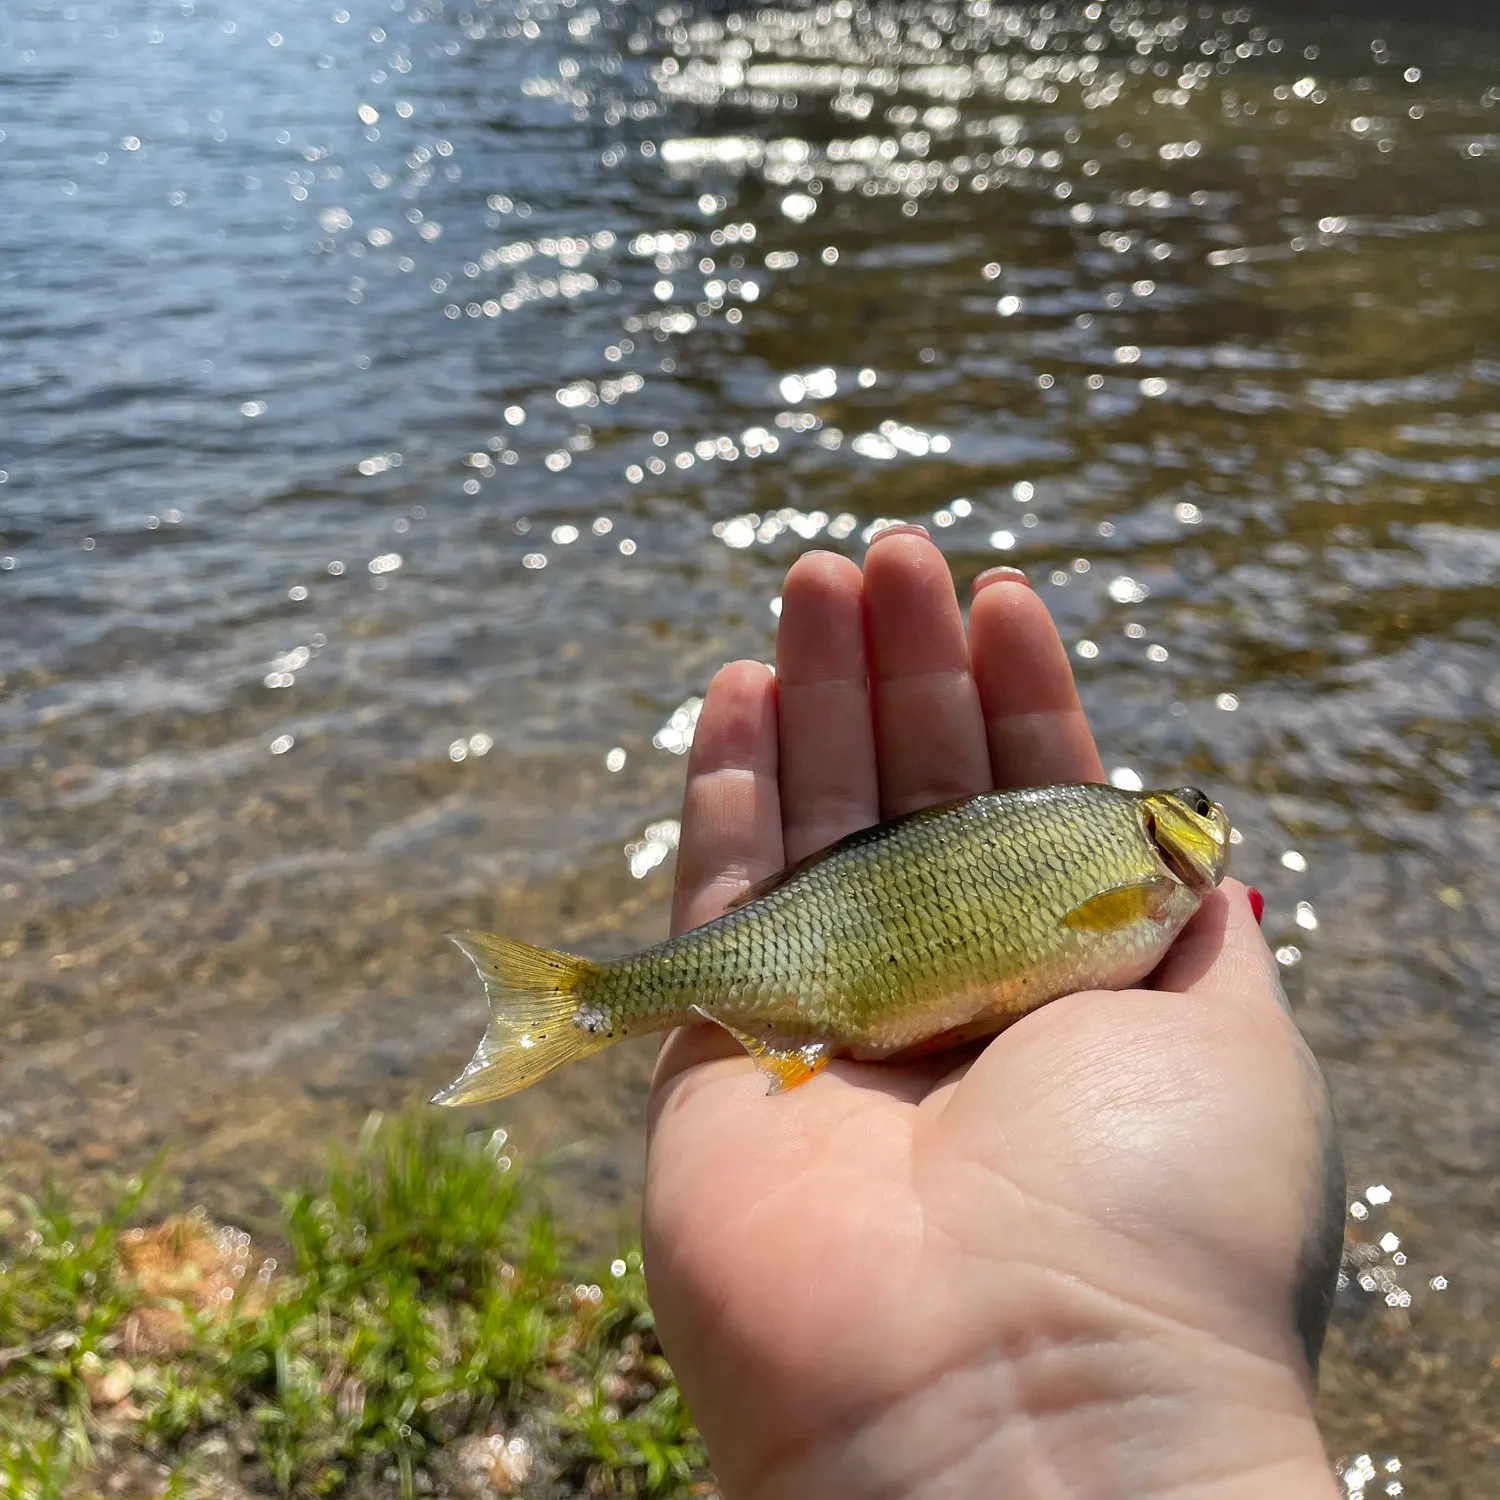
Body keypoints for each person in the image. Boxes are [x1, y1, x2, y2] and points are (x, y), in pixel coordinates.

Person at [642, 527, 1345, 1499]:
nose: (1215, 823)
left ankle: (593, 1003)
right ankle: (587, 1003)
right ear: (1167, 827)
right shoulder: (1136, 849)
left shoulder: (1127, 854)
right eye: (1198, 806)